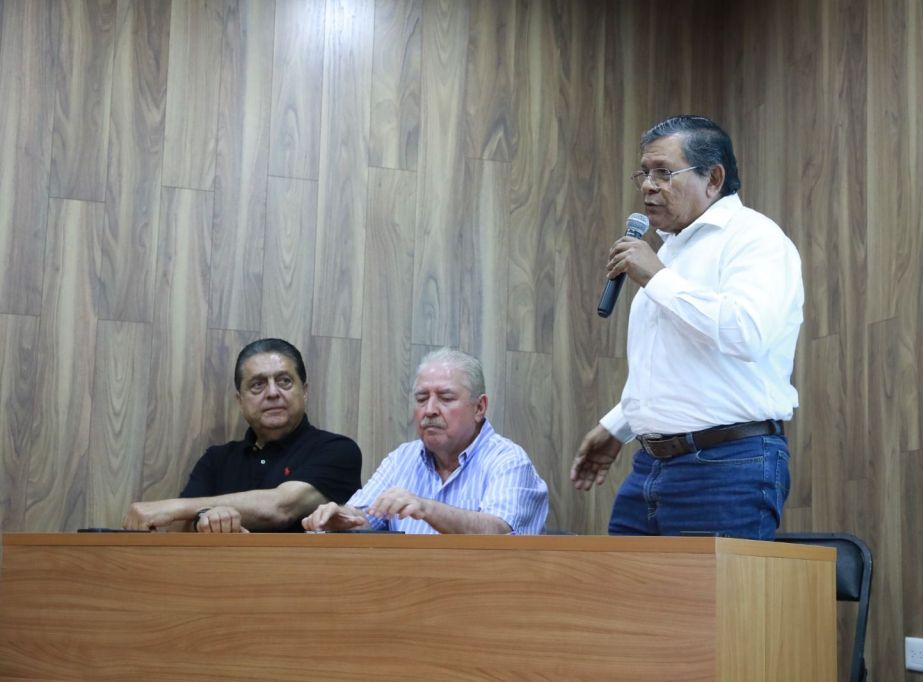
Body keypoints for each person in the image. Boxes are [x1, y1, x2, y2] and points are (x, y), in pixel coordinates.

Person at [571, 114, 804, 540]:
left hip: (728, 465)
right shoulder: (670, 252)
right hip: (650, 466)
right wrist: (617, 426)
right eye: (644, 172)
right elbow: (678, 367)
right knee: (619, 585)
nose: (648, 185)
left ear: (713, 178)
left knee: (714, 590)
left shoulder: (755, 238)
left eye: (663, 172)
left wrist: (657, 278)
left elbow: (746, 333)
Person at [122, 338, 362, 532]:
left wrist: (174, 507)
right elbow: (177, 528)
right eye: (258, 385)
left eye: (284, 381)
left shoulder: (337, 450)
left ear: (305, 391)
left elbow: (281, 507)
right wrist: (206, 521)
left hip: (306, 576)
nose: (272, 393)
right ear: (240, 401)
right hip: (220, 575)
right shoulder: (216, 460)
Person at [303, 348, 548, 534]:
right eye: (421, 399)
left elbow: (497, 532)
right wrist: (340, 517)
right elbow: (365, 516)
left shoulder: (509, 461)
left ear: (479, 407)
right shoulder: (402, 458)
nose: (429, 410)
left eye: (446, 398)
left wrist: (426, 508)